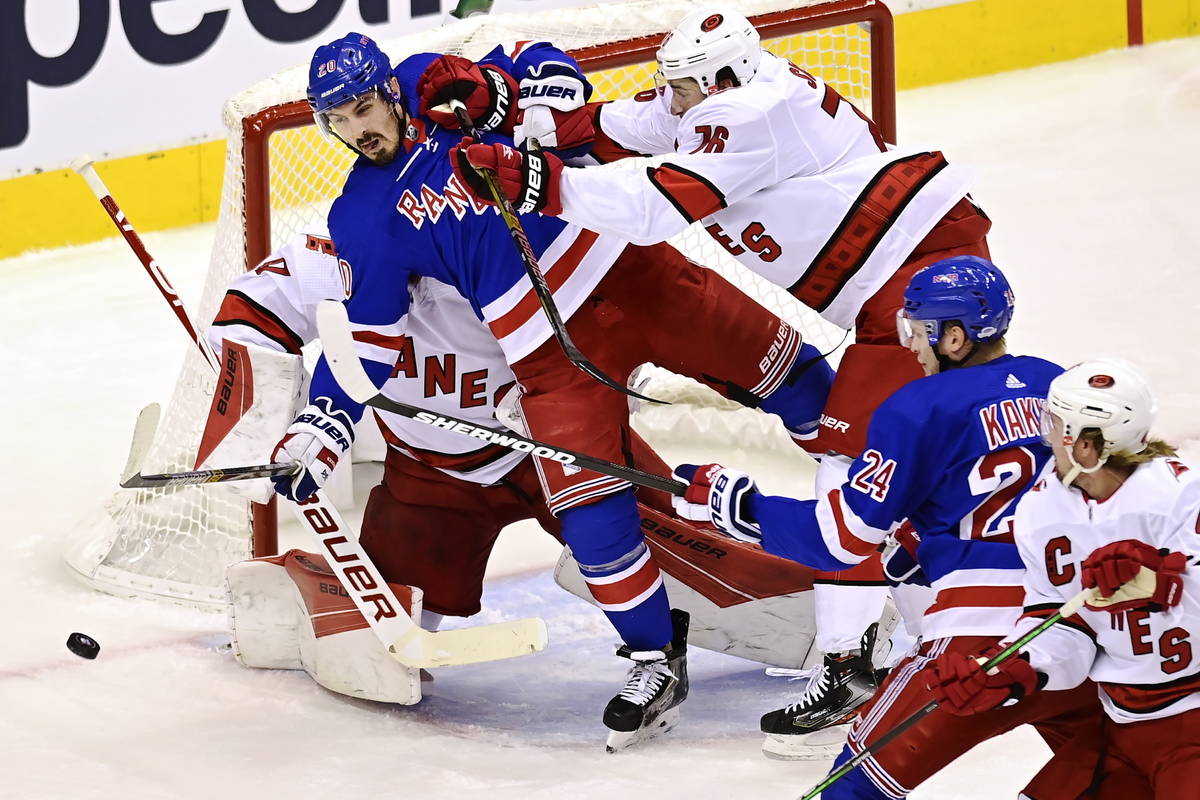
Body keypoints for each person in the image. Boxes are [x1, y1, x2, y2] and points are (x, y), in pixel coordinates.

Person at [271, 31, 841, 750]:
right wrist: (324, 426)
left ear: (388, 89)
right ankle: (654, 661)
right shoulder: (361, 216)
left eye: (363, 107)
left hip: (635, 274)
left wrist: (530, 93)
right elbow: (372, 338)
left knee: (801, 383)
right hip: (544, 353)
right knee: (593, 518)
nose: (359, 130)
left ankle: (892, 522)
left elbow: (536, 63)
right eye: (339, 120)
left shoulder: (430, 82)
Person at [451, 5, 992, 738]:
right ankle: (930, 644)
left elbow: (652, 207)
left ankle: (849, 663)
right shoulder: (717, 94)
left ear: (721, 78)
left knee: (849, 463)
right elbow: (615, 127)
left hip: (918, 277)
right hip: (899, 278)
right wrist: (518, 115)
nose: (670, 98)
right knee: (888, 472)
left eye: (681, 88)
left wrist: (534, 183)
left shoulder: (746, 112)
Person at [207, 229, 825, 710]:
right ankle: (303, 586)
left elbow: (616, 328)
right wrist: (272, 429)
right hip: (429, 477)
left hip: (555, 451)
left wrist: (567, 391)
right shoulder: (336, 256)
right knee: (384, 649)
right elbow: (250, 312)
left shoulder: (517, 249)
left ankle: (841, 620)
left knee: (708, 565)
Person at [675, 256, 1104, 795]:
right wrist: (920, 539)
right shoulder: (1054, 382)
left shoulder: (916, 407)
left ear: (954, 337)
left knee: (853, 787)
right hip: (1077, 631)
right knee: (1116, 771)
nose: (912, 346)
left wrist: (739, 504)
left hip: (974, 648)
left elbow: (840, 541)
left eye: (921, 330)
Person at [925, 359, 1199, 799]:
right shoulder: (1040, 510)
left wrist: (1159, 582)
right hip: (1122, 727)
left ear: (1086, 446)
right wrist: (1010, 669)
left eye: (1053, 423)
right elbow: (1058, 621)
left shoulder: (1181, 495)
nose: (1045, 435)